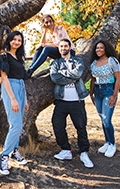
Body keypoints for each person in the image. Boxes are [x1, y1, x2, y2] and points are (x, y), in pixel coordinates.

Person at [49, 38, 94, 168]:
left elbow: (78, 73)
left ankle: (84, 153)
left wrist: (63, 74)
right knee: (57, 125)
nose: (63, 48)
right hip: (61, 101)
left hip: (77, 101)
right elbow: (54, 77)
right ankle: (65, 150)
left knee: (81, 127)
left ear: (70, 47)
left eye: (65, 46)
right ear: (58, 49)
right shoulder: (55, 63)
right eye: (61, 46)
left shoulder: (78, 60)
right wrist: (71, 77)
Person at [0, 31, 29, 175]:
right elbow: (4, 78)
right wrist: (13, 98)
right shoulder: (4, 56)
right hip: (11, 88)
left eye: (19, 40)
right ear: (9, 41)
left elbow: (22, 79)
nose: (16, 42)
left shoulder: (20, 57)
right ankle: (4, 156)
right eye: (14, 39)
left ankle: (14, 151)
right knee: (15, 125)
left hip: (20, 88)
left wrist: (25, 99)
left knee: (18, 124)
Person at [89, 39, 120, 158]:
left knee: (107, 121)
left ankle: (112, 144)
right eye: (97, 48)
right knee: (102, 119)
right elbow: (93, 79)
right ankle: (107, 142)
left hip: (108, 91)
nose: (99, 50)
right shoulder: (94, 63)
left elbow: (118, 79)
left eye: (101, 48)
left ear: (106, 49)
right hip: (98, 92)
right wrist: (91, 93)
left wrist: (114, 95)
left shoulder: (112, 61)